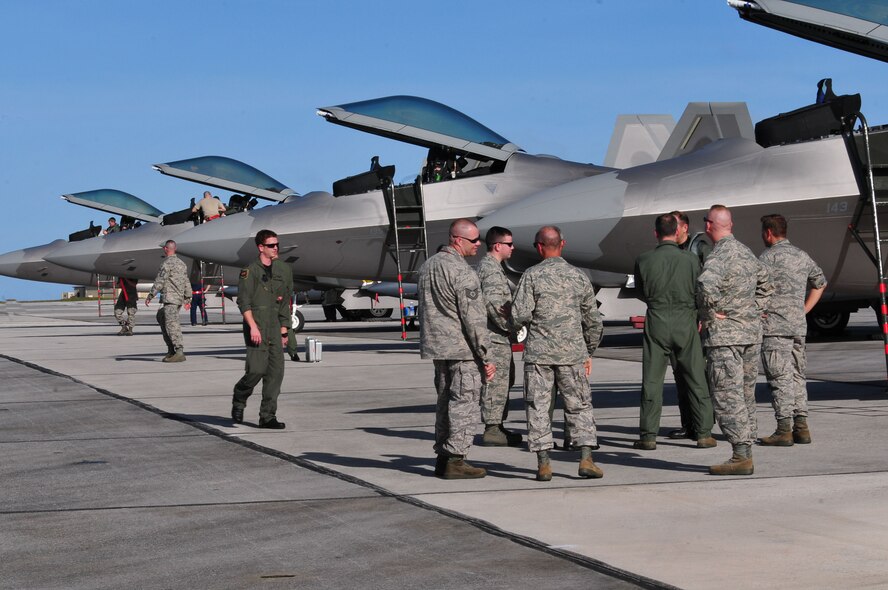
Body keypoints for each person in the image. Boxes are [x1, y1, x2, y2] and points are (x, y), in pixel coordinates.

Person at [511, 225, 604, 482]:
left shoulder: (531, 276)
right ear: (562, 244)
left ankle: (544, 464)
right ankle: (586, 458)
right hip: (572, 354)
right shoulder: (578, 276)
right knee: (579, 406)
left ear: (539, 247)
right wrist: (588, 350)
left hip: (539, 355)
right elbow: (593, 322)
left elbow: (518, 314)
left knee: (538, 407)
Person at [697, 205, 772, 475]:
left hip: (726, 337)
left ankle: (741, 456)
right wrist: (753, 309)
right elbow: (766, 283)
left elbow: (706, 285)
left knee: (727, 396)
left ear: (709, 225)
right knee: (744, 394)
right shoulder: (746, 252)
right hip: (751, 334)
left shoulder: (719, 255)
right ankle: (746, 446)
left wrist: (710, 315)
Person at [418, 218, 495, 479]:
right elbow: (474, 319)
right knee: (464, 404)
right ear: (457, 240)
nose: (478, 245)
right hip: (462, 350)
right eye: (474, 240)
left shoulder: (428, 266)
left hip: (439, 348)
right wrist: (486, 355)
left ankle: (442, 457)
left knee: (444, 403)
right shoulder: (462, 271)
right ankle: (456, 459)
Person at [633, 214, 715, 450]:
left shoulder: (644, 259)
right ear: (678, 231)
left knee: (652, 380)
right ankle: (703, 433)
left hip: (657, 319)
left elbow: (641, 292)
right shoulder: (690, 260)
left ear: (655, 233)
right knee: (696, 376)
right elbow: (699, 289)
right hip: (685, 320)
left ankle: (648, 435)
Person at [758, 214, 827, 446]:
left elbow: (754, 291)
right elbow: (820, 283)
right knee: (797, 375)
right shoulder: (801, 256)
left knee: (779, 378)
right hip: (798, 327)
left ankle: (784, 429)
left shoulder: (766, 258)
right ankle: (801, 426)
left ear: (769, 232)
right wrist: (803, 310)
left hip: (774, 328)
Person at [231, 229, 293, 429]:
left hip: (275, 326)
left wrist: (285, 330)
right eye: (271, 245)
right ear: (261, 248)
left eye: (277, 245)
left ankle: (267, 417)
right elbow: (244, 302)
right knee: (256, 370)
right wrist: (253, 328)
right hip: (256, 324)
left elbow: (285, 302)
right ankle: (240, 397)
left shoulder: (283, 270)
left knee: (276, 374)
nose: (276, 248)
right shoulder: (250, 271)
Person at [667, 210, 712, 440]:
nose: (672, 231)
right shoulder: (668, 251)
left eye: (675, 226)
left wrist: (704, 317)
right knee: (679, 373)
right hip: (678, 321)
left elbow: (711, 283)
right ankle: (689, 423)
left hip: (697, 320)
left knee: (697, 375)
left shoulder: (700, 248)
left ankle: (703, 421)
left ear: (685, 227)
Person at [476, 226, 522, 447]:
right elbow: (496, 307)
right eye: (509, 244)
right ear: (497, 246)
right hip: (494, 338)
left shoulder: (495, 268)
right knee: (497, 382)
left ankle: (498, 426)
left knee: (505, 380)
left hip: (498, 336)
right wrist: (514, 327)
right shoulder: (491, 270)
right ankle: (492, 429)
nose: (512, 247)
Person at [145, 241, 191, 362]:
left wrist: (151, 295)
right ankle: (171, 349)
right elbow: (186, 281)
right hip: (178, 299)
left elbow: (160, 280)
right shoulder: (182, 264)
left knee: (172, 324)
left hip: (171, 299)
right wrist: (188, 298)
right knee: (161, 316)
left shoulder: (166, 263)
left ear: (166, 249)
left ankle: (179, 351)